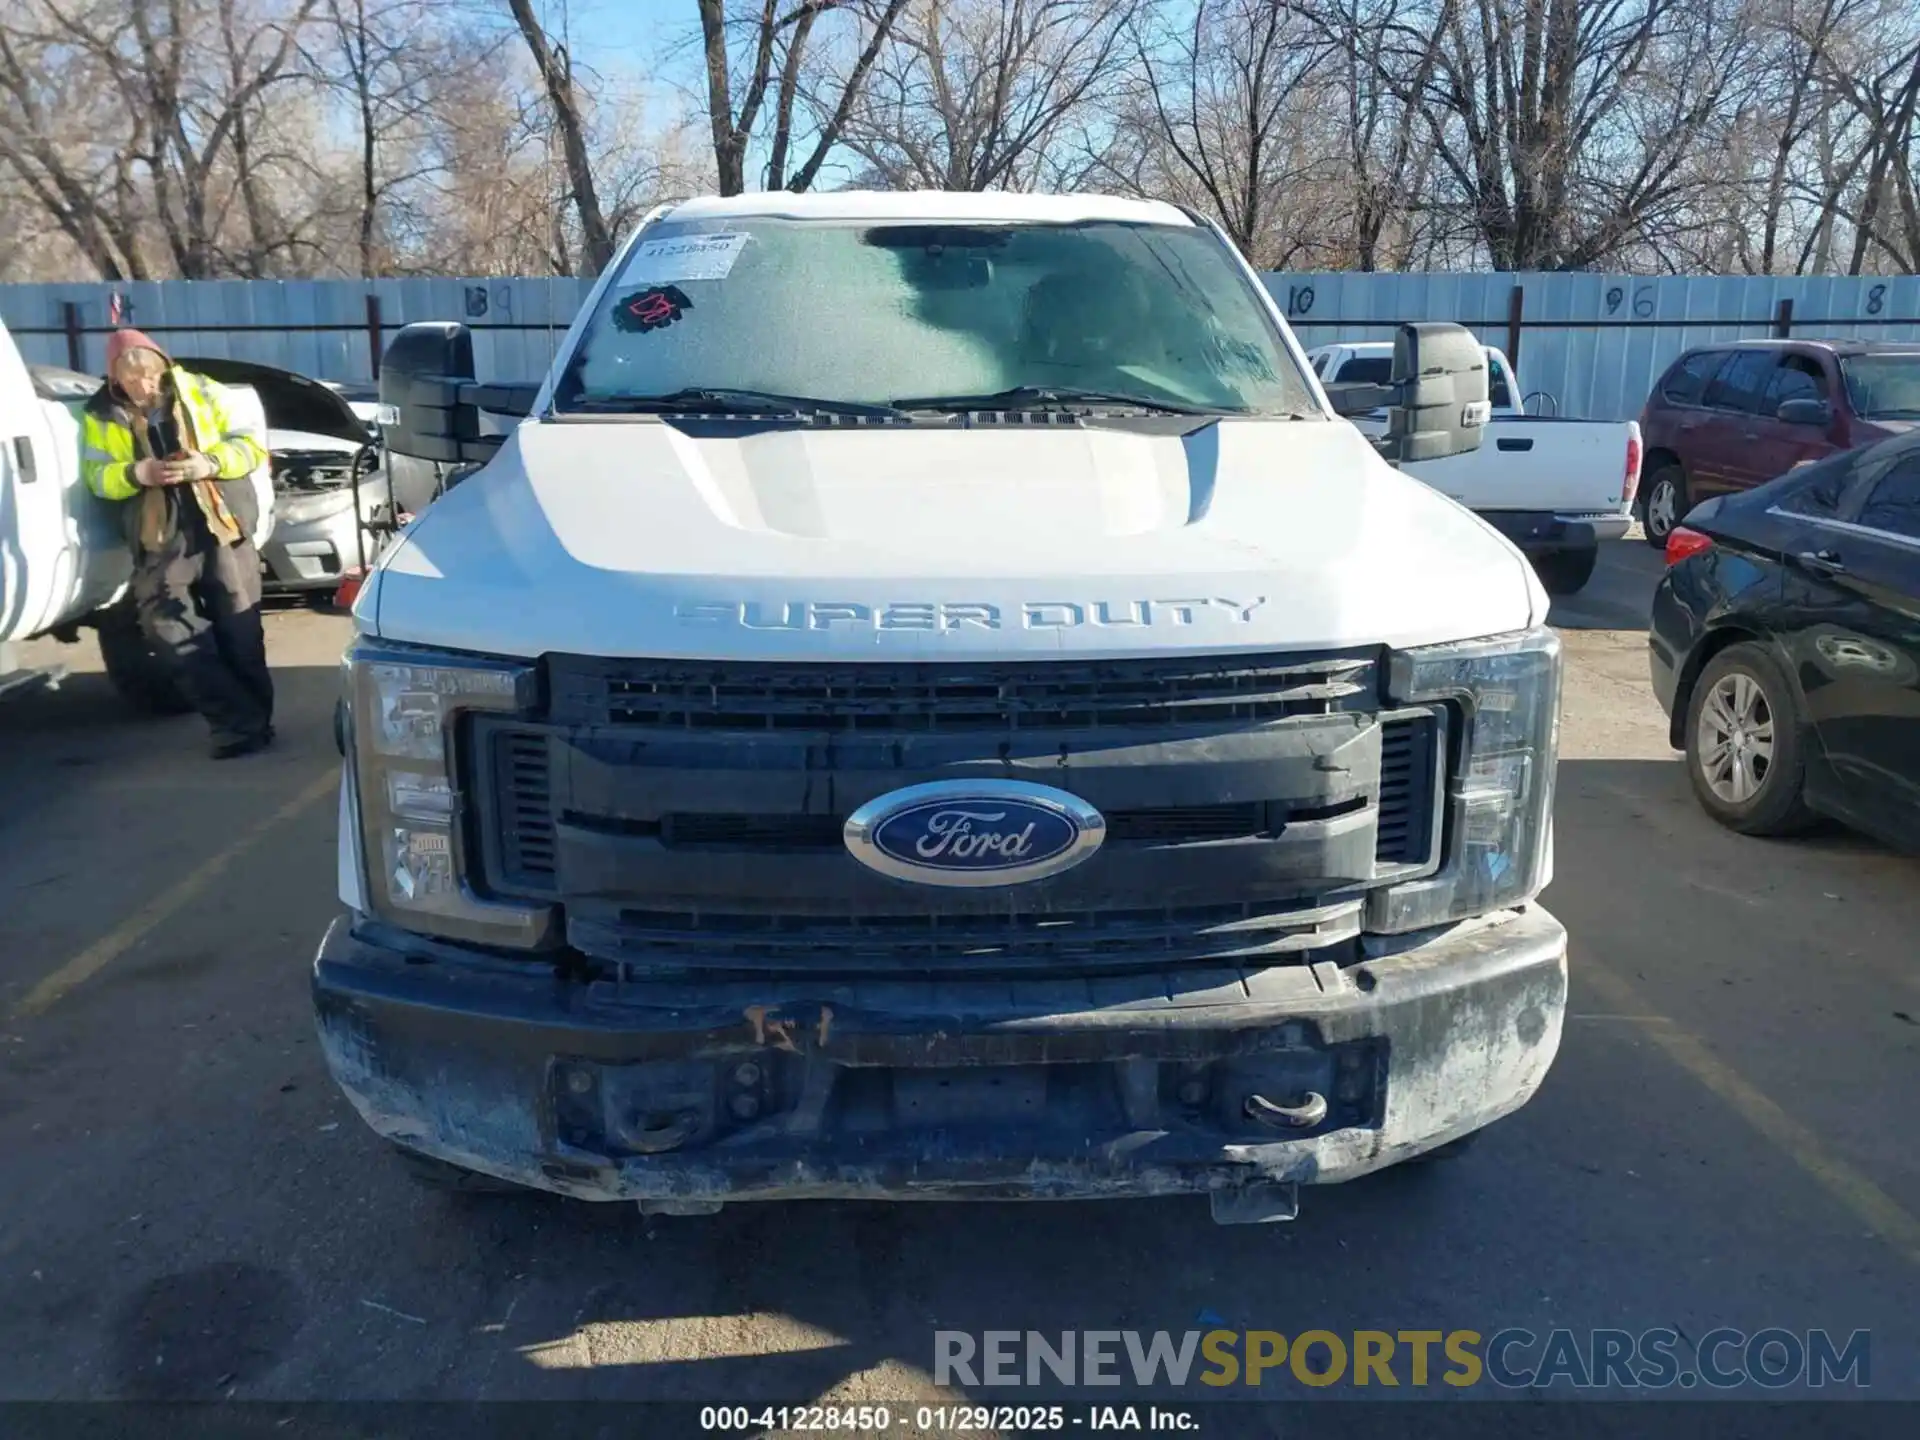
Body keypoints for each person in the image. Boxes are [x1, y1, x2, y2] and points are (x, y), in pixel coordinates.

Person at [81, 330, 275, 758]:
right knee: (166, 624)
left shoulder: (205, 391)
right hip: (159, 533)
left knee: (238, 626)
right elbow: (98, 477)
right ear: (114, 379)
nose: (141, 387)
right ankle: (236, 721)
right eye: (129, 381)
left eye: (147, 377)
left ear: (163, 367)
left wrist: (208, 463)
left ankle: (252, 724)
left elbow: (252, 448)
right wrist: (139, 474)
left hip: (220, 519)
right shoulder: (99, 415)